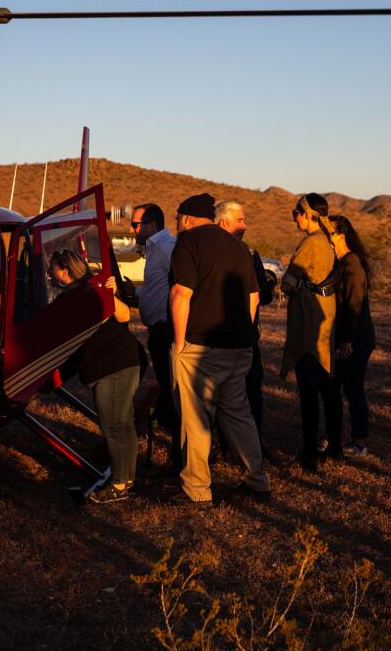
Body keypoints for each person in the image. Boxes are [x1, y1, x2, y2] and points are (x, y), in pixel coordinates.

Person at [168, 193, 270, 505]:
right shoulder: (239, 247)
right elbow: (253, 297)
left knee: (195, 417)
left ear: (186, 218)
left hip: (202, 347)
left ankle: (197, 490)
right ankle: (257, 481)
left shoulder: (188, 241)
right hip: (240, 346)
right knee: (238, 414)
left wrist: (180, 342)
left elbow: (180, 294)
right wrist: (245, 334)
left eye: (177, 219)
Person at [49, 248, 143, 504]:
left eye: (53, 267)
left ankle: (120, 483)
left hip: (113, 364)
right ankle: (127, 477)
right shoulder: (74, 296)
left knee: (114, 424)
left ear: (64, 271)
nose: (49, 271)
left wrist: (110, 294)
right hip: (120, 361)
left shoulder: (90, 290)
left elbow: (124, 316)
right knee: (123, 423)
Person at [280, 193, 341, 471]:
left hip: (309, 323)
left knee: (309, 390)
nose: (295, 217)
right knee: (328, 387)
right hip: (326, 318)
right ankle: (335, 445)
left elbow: (289, 282)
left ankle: (309, 454)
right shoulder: (328, 240)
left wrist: (288, 283)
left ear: (307, 215)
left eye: (296, 212)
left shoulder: (311, 242)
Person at [215, 200, 277, 436]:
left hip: (248, 335)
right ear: (223, 223)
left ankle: (255, 442)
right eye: (240, 220)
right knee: (218, 392)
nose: (245, 226)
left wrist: (267, 287)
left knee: (252, 388)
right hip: (216, 336)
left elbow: (264, 295)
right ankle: (219, 443)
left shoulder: (251, 253)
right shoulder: (207, 252)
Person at [131, 203, 180, 471]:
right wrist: (135, 293)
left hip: (166, 330)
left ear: (151, 225)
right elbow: (157, 288)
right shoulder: (155, 249)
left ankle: (178, 453)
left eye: (135, 224)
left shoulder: (166, 247)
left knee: (172, 393)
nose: (132, 229)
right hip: (158, 330)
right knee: (166, 388)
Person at [326, 215, 376, 457]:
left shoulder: (352, 264)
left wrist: (346, 340)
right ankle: (332, 436)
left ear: (341, 235)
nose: (327, 237)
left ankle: (360, 441)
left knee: (353, 388)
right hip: (347, 336)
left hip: (356, 338)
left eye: (331, 232)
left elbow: (354, 305)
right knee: (337, 386)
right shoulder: (342, 263)